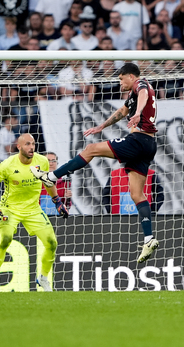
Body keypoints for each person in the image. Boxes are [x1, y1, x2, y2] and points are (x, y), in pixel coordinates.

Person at [31, 63, 160, 263]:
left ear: (131, 77)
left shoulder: (141, 84)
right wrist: (101, 126)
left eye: (121, 78)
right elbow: (121, 112)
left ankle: (51, 177)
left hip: (138, 140)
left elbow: (143, 94)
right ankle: (149, 238)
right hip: (149, 144)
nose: (119, 82)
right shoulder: (133, 96)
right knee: (136, 194)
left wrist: (137, 113)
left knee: (91, 150)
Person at [0, 134, 68, 292]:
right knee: (6, 240)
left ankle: (43, 278)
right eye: (28, 144)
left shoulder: (42, 161)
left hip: (33, 210)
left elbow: (47, 181)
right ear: (19, 146)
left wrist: (57, 201)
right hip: (10, 208)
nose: (32, 147)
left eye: (34, 144)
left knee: (52, 243)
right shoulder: (7, 165)